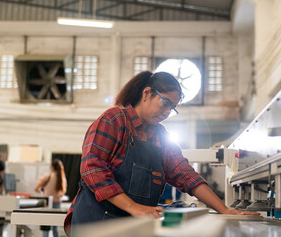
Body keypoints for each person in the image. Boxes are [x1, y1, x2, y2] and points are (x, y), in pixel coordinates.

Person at [64, 71, 259, 235]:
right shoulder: (113, 120)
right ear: (147, 93)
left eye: (172, 109)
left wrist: (224, 209)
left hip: (132, 225)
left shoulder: (160, 135)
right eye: (164, 103)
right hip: (96, 222)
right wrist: (134, 207)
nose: (166, 112)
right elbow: (92, 169)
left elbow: (185, 174)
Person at [35, 159, 67, 237]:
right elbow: (63, 193)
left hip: (48, 203)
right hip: (57, 204)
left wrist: (42, 192)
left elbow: (36, 188)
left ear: (52, 167)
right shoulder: (63, 179)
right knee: (55, 227)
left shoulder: (48, 176)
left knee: (46, 225)